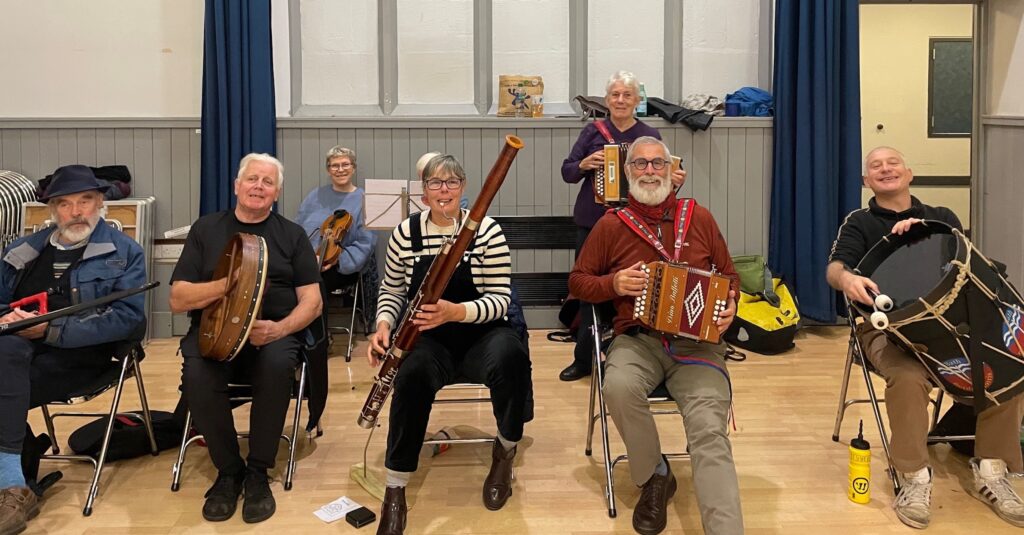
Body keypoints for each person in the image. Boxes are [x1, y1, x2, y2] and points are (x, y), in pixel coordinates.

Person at [827, 146, 1024, 529]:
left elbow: (969, 265)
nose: (885, 169)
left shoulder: (941, 218)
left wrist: (927, 235)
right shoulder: (859, 222)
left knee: (1007, 363)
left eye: (893, 163)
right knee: (908, 377)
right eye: (875, 166)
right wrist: (847, 279)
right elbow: (835, 268)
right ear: (866, 181)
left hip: (954, 325)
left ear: (909, 173)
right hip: (885, 331)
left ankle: (993, 470)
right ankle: (913, 476)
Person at [569, 137, 742, 535]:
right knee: (618, 387)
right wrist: (614, 283)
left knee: (709, 430)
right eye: (641, 164)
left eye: (657, 163)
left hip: (698, 346)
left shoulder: (699, 217)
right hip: (638, 341)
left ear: (671, 170)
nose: (650, 171)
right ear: (627, 172)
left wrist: (731, 304)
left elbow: (730, 276)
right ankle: (655, 474)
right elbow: (577, 282)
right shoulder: (611, 224)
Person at [367, 154, 531, 535]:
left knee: (512, 357)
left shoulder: (486, 231)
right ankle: (395, 488)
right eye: (435, 183)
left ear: (463, 187)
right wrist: (384, 323)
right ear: (423, 192)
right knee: (410, 376)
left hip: (482, 332)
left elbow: (500, 300)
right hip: (430, 338)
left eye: (452, 182)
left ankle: (505, 451)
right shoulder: (405, 233)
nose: (444, 190)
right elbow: (392, 290)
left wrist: (455, 312)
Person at [169, 153, 322, 524]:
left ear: (277, 193)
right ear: (237, 186)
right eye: (252, 179)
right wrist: (232, 285)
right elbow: (178, 298)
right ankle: (228, 470)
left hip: (272, 333)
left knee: (277, 365)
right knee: (198, 375)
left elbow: (313, 302)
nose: (259, 187)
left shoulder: (292, 235)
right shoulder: (206, 229)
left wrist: (280, 329)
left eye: (268, 182)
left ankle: (257, 471)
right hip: (215, 332)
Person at [0, 165, 146, 535]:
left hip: (83, 357)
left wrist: (50, 330)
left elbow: (127, 319)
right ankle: (15, 476)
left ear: (101, 204)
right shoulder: (21, 251)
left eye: (85, 201)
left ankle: (13, 480)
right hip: (16, 354)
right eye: (65, 204)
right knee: (9, 352)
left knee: (6, 369)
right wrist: (8, 317)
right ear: (52, 210)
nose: (76, 211)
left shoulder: (124, 253)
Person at [559, 70, 686, 382]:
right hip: (592, 221)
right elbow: (567, 172)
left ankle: (625, 357)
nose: (620, 100)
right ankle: (584, 357)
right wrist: (584, 164)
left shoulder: (649, 135)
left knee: (631, 289)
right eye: (615, 95)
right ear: (607, 100)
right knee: (587, 289)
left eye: (627, 95)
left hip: (634, 225)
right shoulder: (593, 131)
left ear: (637, 101)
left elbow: (659, 184)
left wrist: (675, 181)